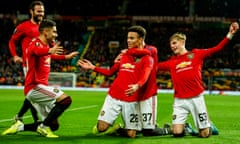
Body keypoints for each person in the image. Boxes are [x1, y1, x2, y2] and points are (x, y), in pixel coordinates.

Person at [78, 25, 171, 138]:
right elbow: (110, 72)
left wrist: (129, 52)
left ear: (141, 39)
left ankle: (163, 129)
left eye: (132, 38)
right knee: (103, 128)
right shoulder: (124, 55)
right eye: (128, 38)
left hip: (144, 93)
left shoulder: (149, 53)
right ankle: (119, 127)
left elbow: (148, 54)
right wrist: (93, 68)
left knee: (146, 131)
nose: (128, 40)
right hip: (121, 94)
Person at [157, 22, 239, 138]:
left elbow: (217, 48)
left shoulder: (196, 54)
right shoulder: (171, 62)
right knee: (176, 133)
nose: (172, 46)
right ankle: (186, 127)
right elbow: (154, 66)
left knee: (205, 134)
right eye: (171, 44)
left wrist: (230, 34)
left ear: (182, 42)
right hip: (179, 101)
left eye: (174, 43)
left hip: (196, 98)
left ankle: (209, 126)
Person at [2, 19, 79, 138]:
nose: (56, 35)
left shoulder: (45, 45)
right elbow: (36, 51)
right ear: (45, 32)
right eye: (54, 32)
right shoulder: (35, 43)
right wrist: (49, 50)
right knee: (65, 100)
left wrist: (66, 57)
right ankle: (43, 127)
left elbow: (49, 55)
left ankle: (20, 126)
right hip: (34, 87)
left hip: (41, 87)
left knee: (53, 125)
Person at [8, 0, 45, 123]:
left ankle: (19, 116)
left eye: (43, 11)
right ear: (31, 11)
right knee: (33, 92)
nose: (41, 13)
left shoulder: (45, 27)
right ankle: (36, 121)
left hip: (42, 66)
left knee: (33, 93)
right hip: (29, 65)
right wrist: (15, 55)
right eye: (38, 11)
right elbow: (12, 41)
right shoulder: (23, 26)